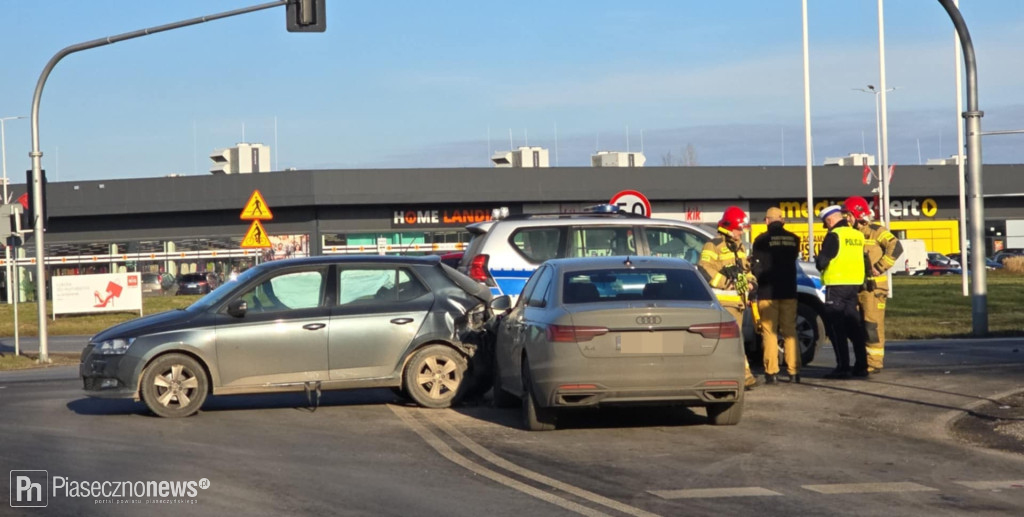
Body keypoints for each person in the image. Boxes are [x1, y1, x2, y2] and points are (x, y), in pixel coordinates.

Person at [698, 206, 758, 389]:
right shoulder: (714, 245)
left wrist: (750, 283)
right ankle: (742, 375)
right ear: (729, 227)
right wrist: (726, 282)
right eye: (739, 229)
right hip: (722, 302)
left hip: (737, 303)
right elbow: (704, 268)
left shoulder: (738, 247)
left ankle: (741, 374)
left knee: (736, 340)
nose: (741, 233)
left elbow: (743, 272)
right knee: (729, 340)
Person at [844, 195, 903, 374]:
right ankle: (862, 362)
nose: (846, 218)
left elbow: (896, 246)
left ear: (857, 213)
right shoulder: (853, 234)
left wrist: (880, 267)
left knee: (872, 325)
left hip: (874, 288)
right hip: (858, 287)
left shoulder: (876, 230)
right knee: (858, 326)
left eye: (848, 214)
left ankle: (874, 363)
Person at [815, 205, 870, 379]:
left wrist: (818, 262)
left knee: (836, 328)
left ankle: (843, 367)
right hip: (853, 286)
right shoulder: (857, 235)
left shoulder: (834, 235)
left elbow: (823, 261)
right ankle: (862, 365)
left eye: (826, 223)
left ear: (830, 220)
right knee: (854, 326)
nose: (826, 227)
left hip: (836, 286)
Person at [750, 207, 801, 384]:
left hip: (767, 292)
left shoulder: (761, 241)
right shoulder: (794, 240)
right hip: (789, 291)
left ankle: (771, 372)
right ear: (783, 221)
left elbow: (755, 267)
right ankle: (794, 372)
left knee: (769, 333)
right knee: (790, 332)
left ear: (766, 221)